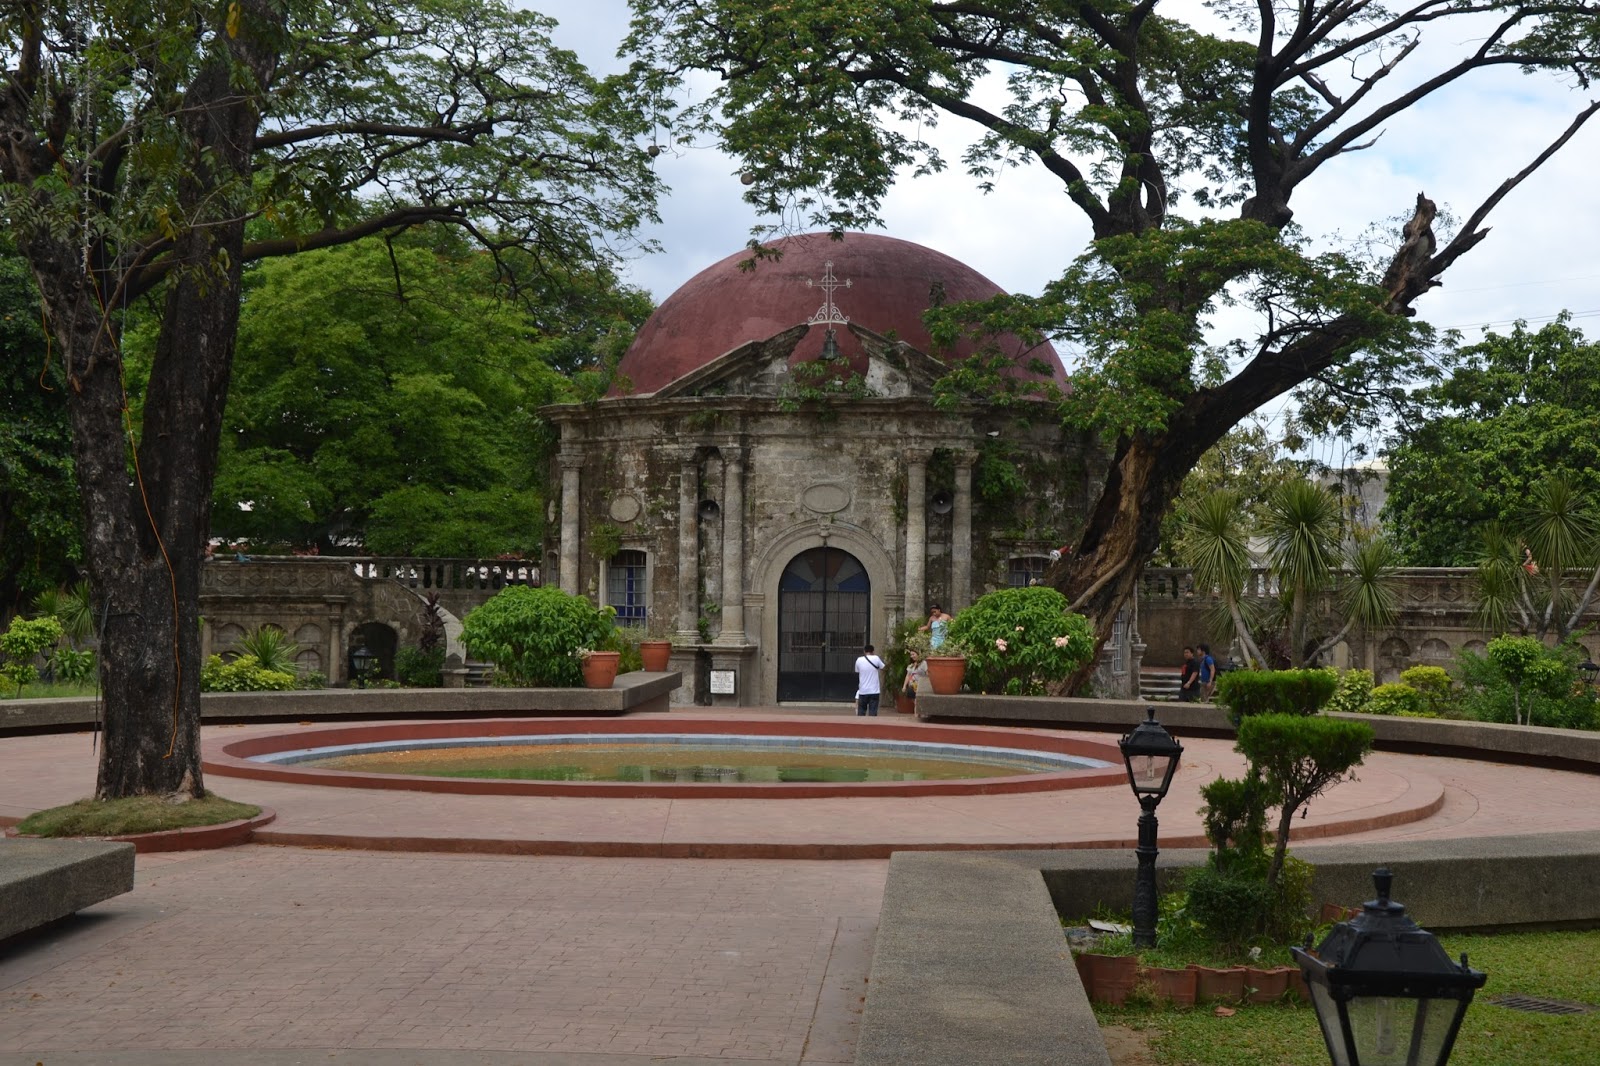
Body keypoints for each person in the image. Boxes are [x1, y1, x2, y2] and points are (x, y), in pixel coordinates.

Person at [855, 644, 887, 716]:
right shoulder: (876, 658)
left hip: (863, 690)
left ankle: (860, 725)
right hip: (874, 690)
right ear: (873, 651)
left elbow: (857, 671)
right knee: (873, 711)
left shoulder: (859, 660)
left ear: (864, 651)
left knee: (861, 711)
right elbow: (884, 668)